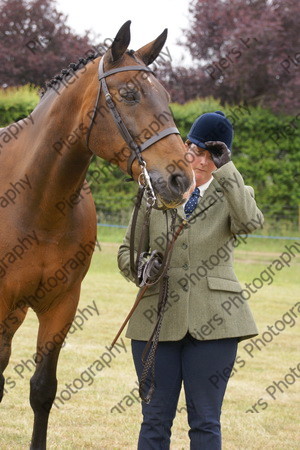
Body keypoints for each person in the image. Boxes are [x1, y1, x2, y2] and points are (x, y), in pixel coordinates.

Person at [117, 110, 264, 450]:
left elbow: (250, 223)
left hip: (216, 323)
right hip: (157, 319)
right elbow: (126, 251)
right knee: (154, 420)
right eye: (195, 149)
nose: (200, 160)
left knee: (205, 421)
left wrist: (228, 171)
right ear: (185, 146)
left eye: (212, 155)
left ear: (222, 159)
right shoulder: (156, 189)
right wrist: (141, 268)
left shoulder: (235, 192)